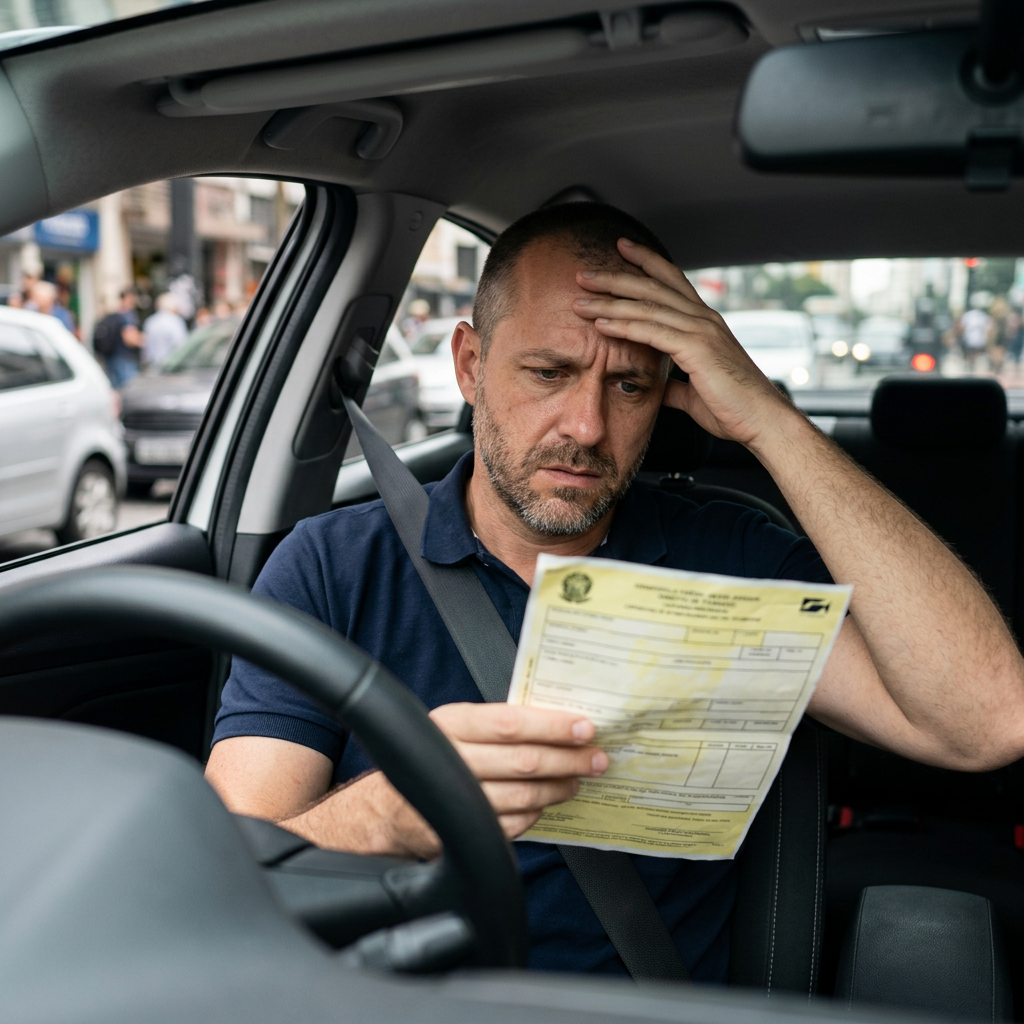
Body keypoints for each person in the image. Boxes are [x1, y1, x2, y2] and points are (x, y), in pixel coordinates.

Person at [205, 203, 1024, 981]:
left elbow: (987, 724)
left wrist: (768, 420)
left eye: (629, 385)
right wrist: (384, 817)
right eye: (549, 372)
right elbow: (227, 873)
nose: (587, 425)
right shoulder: (332, 566)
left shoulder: (731, 556)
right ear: (469, 364)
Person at [93, 288, 143, 388]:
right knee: (130, 389)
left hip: (111, 358)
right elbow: (129, 338)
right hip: (125, 358)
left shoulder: (114, 314)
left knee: (117, 388)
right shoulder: (128, 315)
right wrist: (142, 340)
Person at [142, 292, 188, 367]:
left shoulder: (150, 321)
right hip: (171, 367)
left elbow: (145, 347)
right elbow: (182, 346)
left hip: (153, 366)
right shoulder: (176, 321)